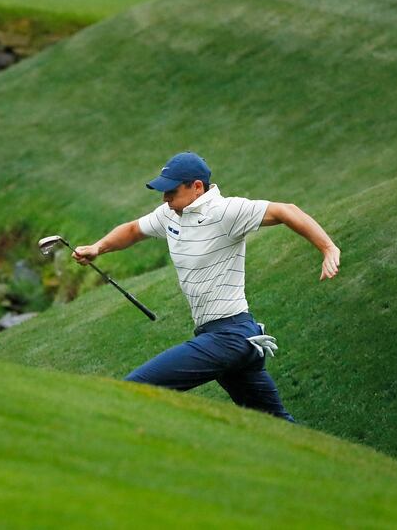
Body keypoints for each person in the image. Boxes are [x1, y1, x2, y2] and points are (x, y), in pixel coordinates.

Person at [72, 152, 340, 421]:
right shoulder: (169, 214)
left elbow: (287, 210)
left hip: (229, 337)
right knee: (276, 424)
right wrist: (98, 248)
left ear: (197, 187)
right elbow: (133, 230)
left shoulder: (225, 211)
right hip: (230, 338)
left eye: (171, 191)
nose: (165, 198)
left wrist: (327, 248)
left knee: (133, 388)